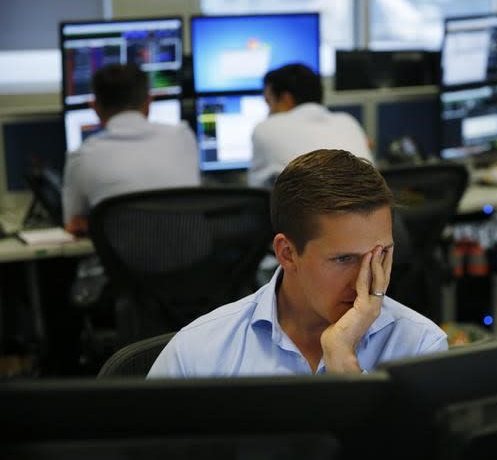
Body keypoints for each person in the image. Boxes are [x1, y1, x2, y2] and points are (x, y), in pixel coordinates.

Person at [148, 149, 448, 377]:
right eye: (344, 259)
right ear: (287, 253)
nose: (364, 282)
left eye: (380, 255)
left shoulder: (420, 347)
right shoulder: (198, 355)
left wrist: (342, 361)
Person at [62, 63, 200, 236]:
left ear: (95, 108)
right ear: (149, 103)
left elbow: (73, 225)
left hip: (121, 262)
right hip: (191, 260)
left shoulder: (82, 157)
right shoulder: (184, 136)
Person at [248, 63, 373, 188]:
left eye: (268, 101)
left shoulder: (266, 128)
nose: (269, 111)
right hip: (368, 204)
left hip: (312, 206)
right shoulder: (348, 121)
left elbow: (257, 189)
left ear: (287, 99)